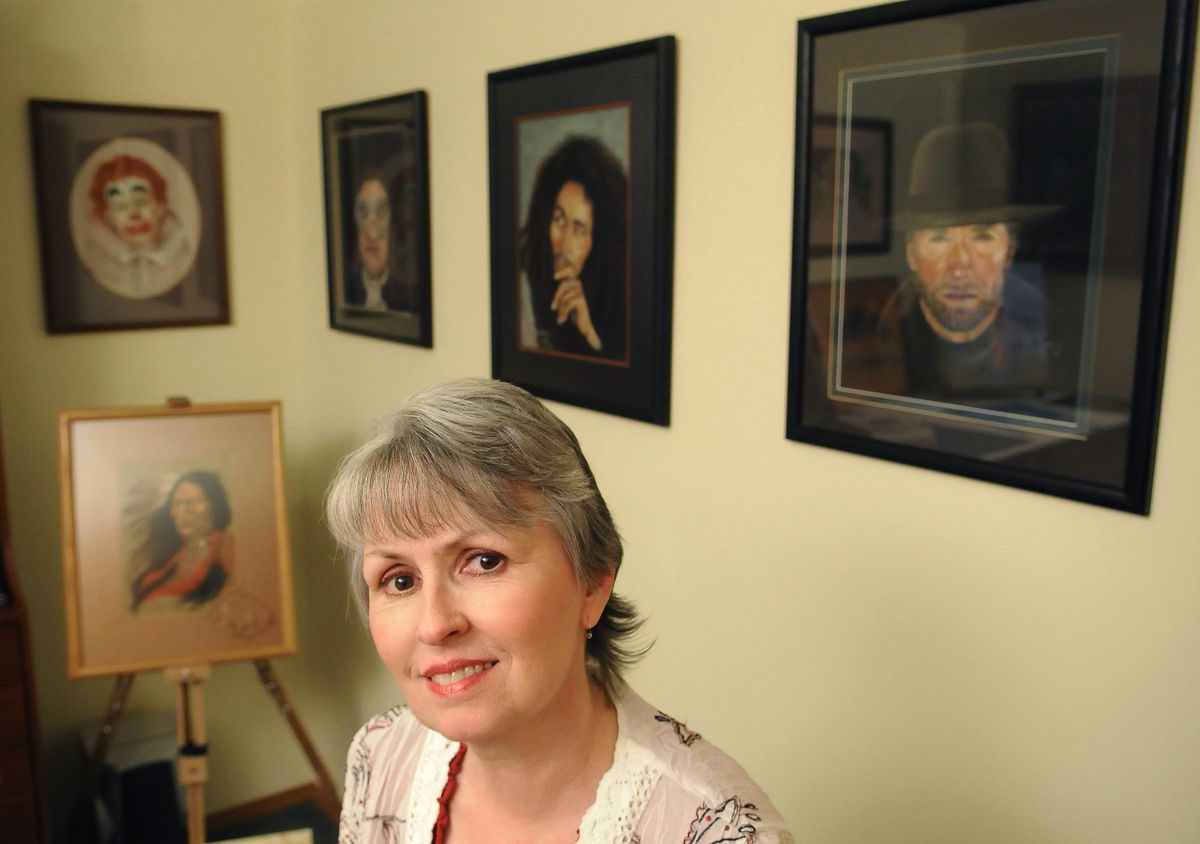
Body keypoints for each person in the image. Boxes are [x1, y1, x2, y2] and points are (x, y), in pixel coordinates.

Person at [326, 378, 793, 842]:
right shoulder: (381, 753)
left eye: (484, 562)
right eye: (400, 580)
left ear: (592, 583)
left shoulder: (724, 832)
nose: (434, 625)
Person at [877, 122, 1056, 401]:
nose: (960, 265)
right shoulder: (882, 335)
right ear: (911, 254)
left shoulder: (1045, 334)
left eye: (982, 237)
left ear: (1009, 252)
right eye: (939, 238)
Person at [519, 136, 628, 360]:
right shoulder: (523, 289)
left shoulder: (614, 296)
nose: (564, 242)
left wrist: (589, 335)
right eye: (559, 220)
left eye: (579, 229)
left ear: (597, 241)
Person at [83, 153, 195, 298]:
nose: (134, 215)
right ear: (108, 217)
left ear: (159, 205)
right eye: (121, 206)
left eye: (141, 202)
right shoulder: (101, 267)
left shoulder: (182, 256)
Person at [131, 471, 232, 612]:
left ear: (214, 506)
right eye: (177, 503)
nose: (183, 511)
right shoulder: (172, 554)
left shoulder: (226, 545)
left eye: (192, 502)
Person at [346, 172, 418, 312]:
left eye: (381, 213)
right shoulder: (346, 290)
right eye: (363, 213)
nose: (372, 235)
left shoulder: (410, 297)